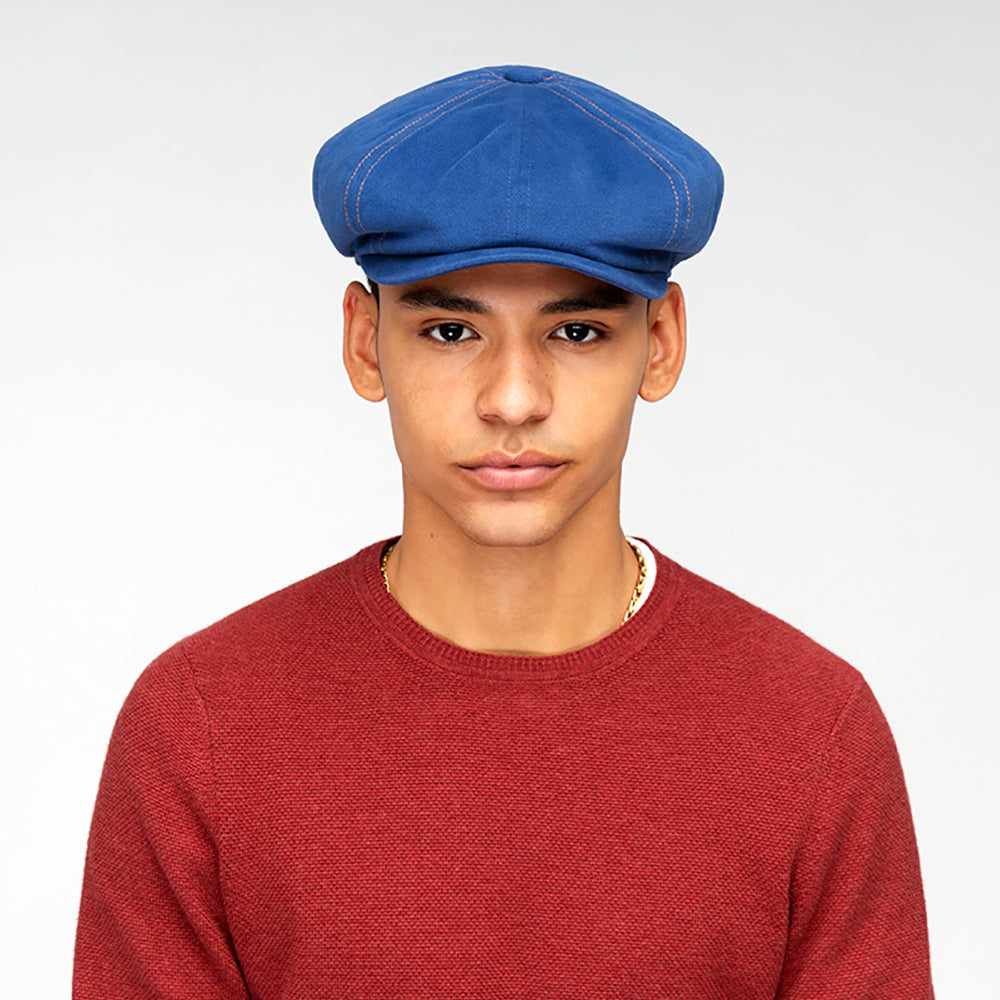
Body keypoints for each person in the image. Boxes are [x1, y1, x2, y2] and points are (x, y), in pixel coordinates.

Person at [73, 65, 934, 998]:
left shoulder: (809, 734)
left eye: (576, 332)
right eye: (451, 331)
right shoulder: (202, 729)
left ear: (663, 343)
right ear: (365, 342)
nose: (514, 400)